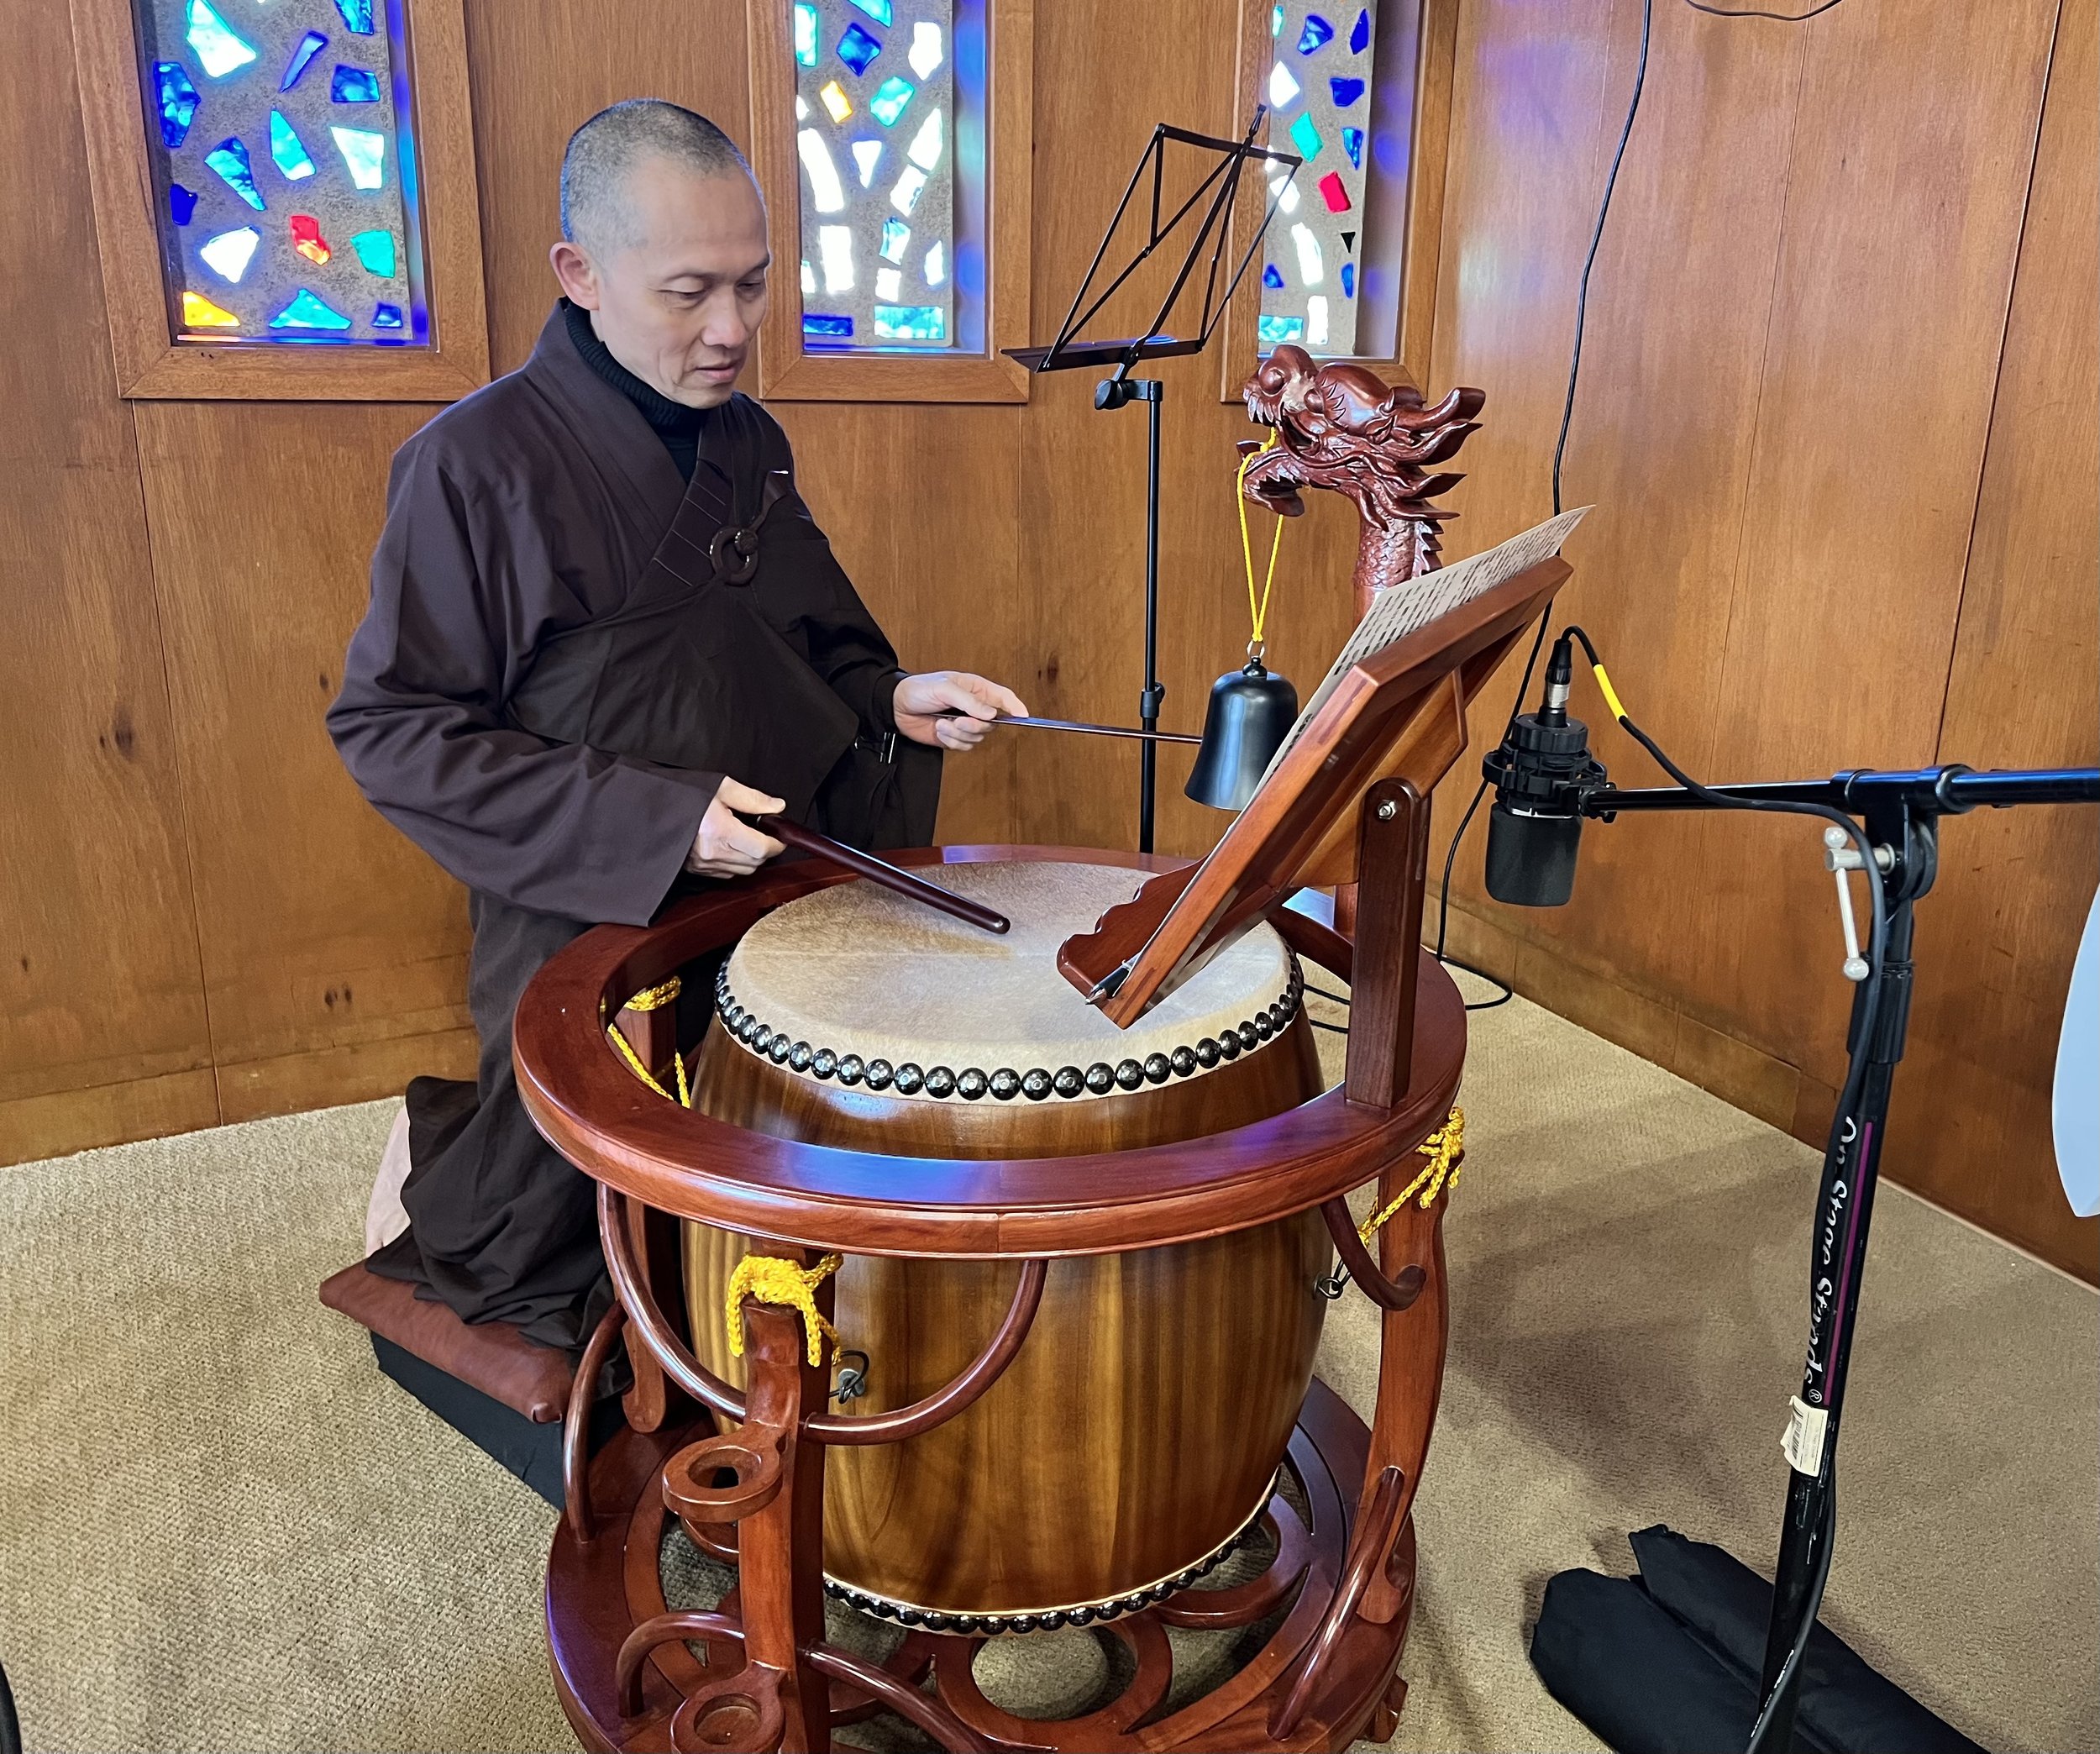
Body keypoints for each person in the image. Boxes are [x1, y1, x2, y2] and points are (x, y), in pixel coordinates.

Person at [328, 100, 1026, 1353]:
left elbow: (809, 637)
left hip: (773, 855)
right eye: (691, 291)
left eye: (754, 287)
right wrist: (656, 821)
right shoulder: (473, 464)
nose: (732, 331)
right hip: (590, 891)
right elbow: (394, 727)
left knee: (827, 1126)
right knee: (549, 1240)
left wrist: (894, 699)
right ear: (581, 274)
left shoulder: (746, 436)